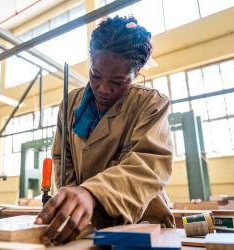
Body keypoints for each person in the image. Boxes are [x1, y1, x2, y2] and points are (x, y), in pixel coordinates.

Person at [35, 15, 174, 244]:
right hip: (87, 227)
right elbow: (62, 159)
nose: (103, 88)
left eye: (118, 82)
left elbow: (148, 165)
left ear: (136, 73)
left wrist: (92, 193)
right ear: (90, 62)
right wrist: (72, 205)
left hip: (142, 224)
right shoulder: (70, 103)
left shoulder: (150, 104)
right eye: (95, 75)